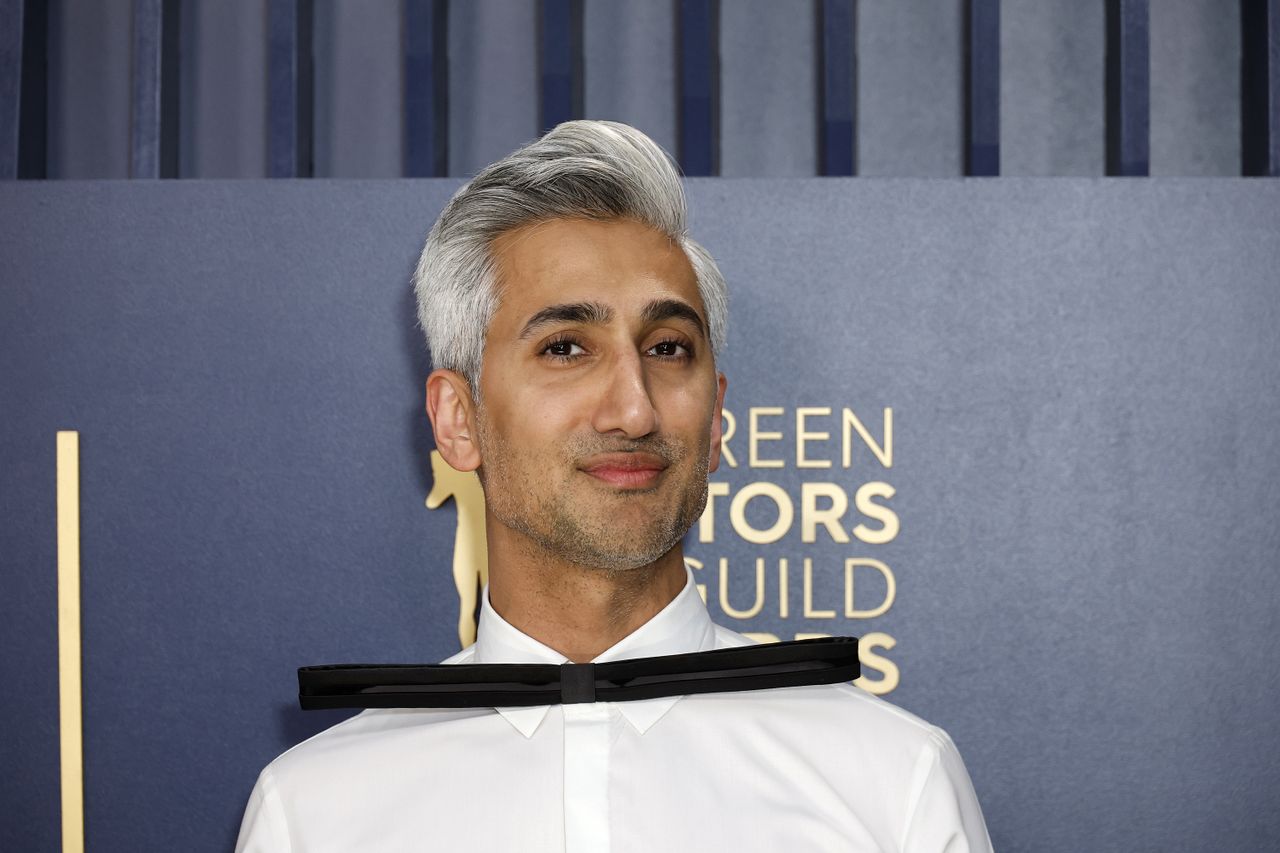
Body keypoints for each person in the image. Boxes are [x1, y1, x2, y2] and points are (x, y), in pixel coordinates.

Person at [235, 120, 993, 852]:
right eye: (566, 347)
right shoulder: (316, 812)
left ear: (718, 415)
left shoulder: (894, 781)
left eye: (667, 347)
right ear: (458, 420)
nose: (634, 408)